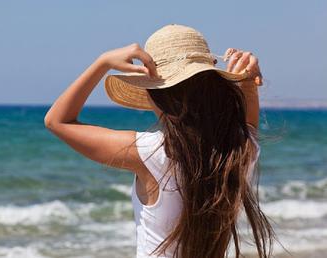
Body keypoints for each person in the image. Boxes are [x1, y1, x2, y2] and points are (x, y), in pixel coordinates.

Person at [44, 24, 276, 258]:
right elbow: (248, 122)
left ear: (154, 93)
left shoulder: (151, 152)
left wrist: (102, 62)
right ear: (212, 86)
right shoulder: (240, 149)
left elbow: (57, 121)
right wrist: (247, 79)